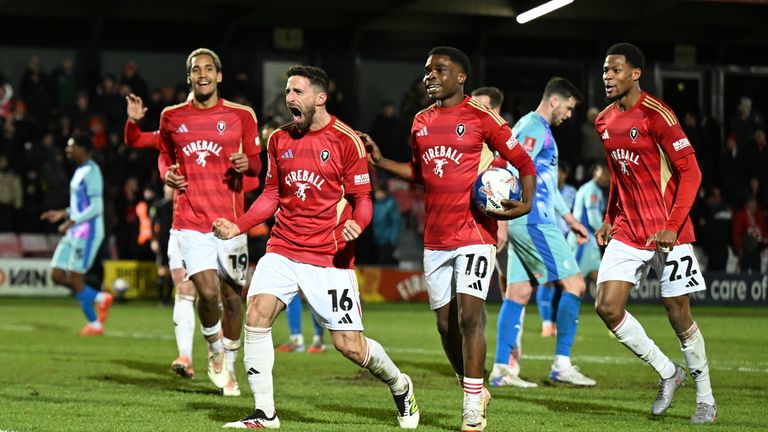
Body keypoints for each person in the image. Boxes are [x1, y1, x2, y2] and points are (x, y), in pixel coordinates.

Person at [212, 65, 419, 429]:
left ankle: (399, 384)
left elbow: (362, 198)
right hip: (283, 247)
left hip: (329, 256)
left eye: (298, 92)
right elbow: (271, 195)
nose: (290, 98)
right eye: (288, 91)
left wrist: (360, 223)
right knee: (256, 314)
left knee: (349, 346)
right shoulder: (278, 139)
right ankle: (264, 413)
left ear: (320, 97)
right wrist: (238, 225)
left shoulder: (345, 140)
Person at [362, 47, 536, 432]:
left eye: (440, 70)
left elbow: (523, 161)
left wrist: (524, 205)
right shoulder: (421, 121)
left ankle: (472, 406)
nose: (430, 76)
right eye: (427, 70)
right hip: (436, 238)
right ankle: (473, 384)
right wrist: (381, 161)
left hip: (474, 233)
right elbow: (422, 173)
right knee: (445, 326)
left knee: (470, 315)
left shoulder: (481, 116)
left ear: (461, 77)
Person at [594, 42, 716, 424]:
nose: (607, 77)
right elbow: (619, 173)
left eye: (615, 71)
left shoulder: (657, 114)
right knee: (607, 306)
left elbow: (691, 173)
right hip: (629, 227)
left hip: (670, 228)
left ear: (635, 73)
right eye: (604, 71)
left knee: (678, 314)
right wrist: (609, 215)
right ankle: (668, 372)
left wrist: (673, 224)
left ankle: (706, 401)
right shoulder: (604, 120)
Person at [158, 48, 261, 396]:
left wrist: (249, 164)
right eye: (195, 70)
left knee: (233, 300)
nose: (202, 74)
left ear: (219, 76)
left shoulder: (241, 115)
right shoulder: (171, 116)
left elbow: (259, 166)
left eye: (208, 69)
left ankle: (229, 366)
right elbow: (162, 154)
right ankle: (215, 349)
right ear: (189, 77)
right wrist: (167, 174)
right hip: (189, 220)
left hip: (230, 223)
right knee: (205, 292)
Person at [491, 77, 595, 389]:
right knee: (575, 285)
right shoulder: (535, 128)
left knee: (518, 293)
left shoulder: (535, 128)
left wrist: (569, 218)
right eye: (568, 107)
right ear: (553, 101)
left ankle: (500, 369)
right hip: (533, 220)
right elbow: (511, 168)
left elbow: (545, 184)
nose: (569, 114)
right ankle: (562, 364)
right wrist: (502, 218)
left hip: (530, 217)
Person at [40, 133, 113, 336]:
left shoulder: (92, 171)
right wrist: (63, 213)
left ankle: (94, 324)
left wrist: (71, 221)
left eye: (71, 146)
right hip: (74, 231)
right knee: (56, 274)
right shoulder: (80, 170)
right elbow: (81, 205)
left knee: (75, 280)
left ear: (83, 149)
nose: (68, 150)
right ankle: (100, 298)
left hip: (87, 233)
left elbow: (97, 207)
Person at [567, 162, 610, 288]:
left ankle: (609, 306)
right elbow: (593, 219)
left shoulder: (592, 189)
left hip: (589, 241)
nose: (607, 177)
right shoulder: (592, 190)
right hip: (583, 240)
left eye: (609, 174)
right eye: (604, 173)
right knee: (573, 281)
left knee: (599, 277)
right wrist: (607, 234)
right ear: (595, 173)